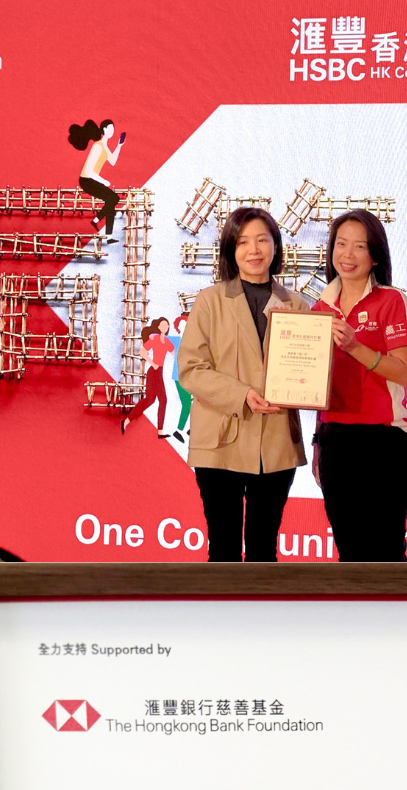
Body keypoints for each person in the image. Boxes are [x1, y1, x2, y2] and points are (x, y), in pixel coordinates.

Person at [177, 208, 308, 561]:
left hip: (276, 442)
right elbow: (191, 369)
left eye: (262, 240)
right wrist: (242, 395)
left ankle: (260, 602)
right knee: (223, 550)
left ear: (275, 246)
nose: (254, 250)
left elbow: (308, 372)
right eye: (243, 242)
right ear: (230, 250)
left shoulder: (297, 305)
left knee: (264, 550)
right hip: (220, 440)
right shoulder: (209, 300)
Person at [311, 209, 407, 561]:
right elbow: (316, 386)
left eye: (359, 246)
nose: (348, 254)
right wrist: (317, 443)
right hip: (335, 440)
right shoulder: (319, 310)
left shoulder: (392, 301)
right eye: (341, 244)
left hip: (383, 441)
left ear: (375, 256)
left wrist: (355, 346)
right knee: (349, 552)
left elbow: (404, 373)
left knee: (386, 553)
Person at [68, 119, 125, 240]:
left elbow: (113, 161)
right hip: (86, 180)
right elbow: (88, 170)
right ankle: (98, 223)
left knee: (111, 200)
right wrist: (104, 181)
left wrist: (119, 146)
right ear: (104, 129)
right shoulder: (98, 146)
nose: (112, 131)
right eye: (110, 128)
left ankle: (104, 231)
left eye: (113, 129)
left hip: (92, 180)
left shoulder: (105, 147)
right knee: (113, 198)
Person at [121, 318, 174, 438]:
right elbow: (142, 352)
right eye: (163, 325)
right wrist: (153, 363)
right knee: (160, 400)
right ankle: (159, 431)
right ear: (158, 327)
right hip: (153, 372)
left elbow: (175, 353)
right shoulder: (154, 339)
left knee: (151, 400)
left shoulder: (167, 341)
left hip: (159, 371)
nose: (165, 327)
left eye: (167, 325)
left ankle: (126, 422)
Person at [168, 312, 192, 442]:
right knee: (187, 404)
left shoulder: (192, 341)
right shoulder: (177, 340)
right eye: (182, 326)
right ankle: (179, 430)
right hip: (179, 377)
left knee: (195, 402)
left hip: (190, 376)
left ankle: (191, 428)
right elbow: (160, 338)